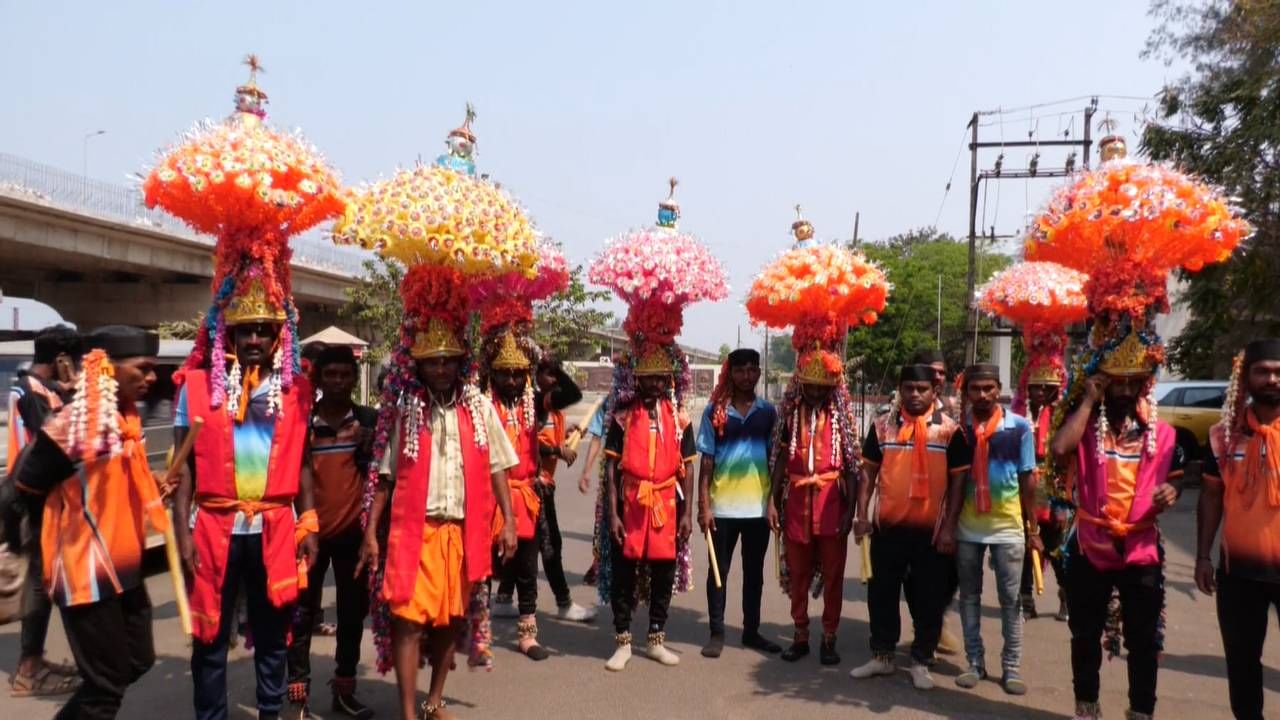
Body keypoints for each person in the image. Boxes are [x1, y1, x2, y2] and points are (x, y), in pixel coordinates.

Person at [357, 265, 519, 720]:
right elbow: (385, 476)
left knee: (450, 618)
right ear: (419, 363)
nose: (442, 368)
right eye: (434, 360)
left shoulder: (478, 406)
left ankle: (433, 700)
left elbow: (498, 468)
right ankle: (409, 712)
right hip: (416, 532)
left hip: (462, 532)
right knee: (408, 620)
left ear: (461, 360)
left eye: (449, 359)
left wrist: (507, 521)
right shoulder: (405, 409)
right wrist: (371, 532)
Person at [13, 326, 163, 719]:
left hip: (125, 566)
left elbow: (112, 478)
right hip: (87, 571)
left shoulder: (126, 416)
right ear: (109, 369)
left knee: (138, 661)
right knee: (105, 689)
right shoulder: (72, 426)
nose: (152, 378)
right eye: (143, 369)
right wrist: (45, 539)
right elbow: (21, 487)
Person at [1050, 336, 1182, 720]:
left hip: (1140, 549)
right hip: (1090, 546)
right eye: (1115, 381)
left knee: (1143, 641)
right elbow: (1059, 451)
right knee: (1085, 635)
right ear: (1101, 381)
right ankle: (1086, 709)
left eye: (1132, 381)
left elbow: (1180, 477)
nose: (1123, 390)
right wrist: (1089, 400)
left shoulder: (1164, 434)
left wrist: (1172, 490)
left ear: (1145, 382)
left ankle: (1141, 712)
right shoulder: (1088, 426)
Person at [851, 365, 970, 690]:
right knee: (881, 594)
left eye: (922, 389)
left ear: (934, 391)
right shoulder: (881, 427)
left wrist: (949, 527)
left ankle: (920, 659)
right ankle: (883, 656)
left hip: (931, 533)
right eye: (909, 388)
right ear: (900, 390)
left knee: (929, 597)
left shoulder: (949, 431)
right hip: (887, 529)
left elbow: (959, 482)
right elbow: (867, 475)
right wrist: (861, 515)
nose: (915, 395)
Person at [286, 345, 376, 719]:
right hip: (310, 538)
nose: (338, 381)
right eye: (330, 375)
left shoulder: (369, 424)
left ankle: (343, 689)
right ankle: (297, 697)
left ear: (355, 378)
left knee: (352, 616)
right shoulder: (302, 423)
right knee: (301, 616)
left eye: (344, 374)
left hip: (353, 539)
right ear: (319, 379)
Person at [1196, 339, 1280, 720]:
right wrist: (1202, 555)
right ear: (1245, 378)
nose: (1272, 378)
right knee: (1243, 664)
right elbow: (1211, 497)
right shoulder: (1222, 436)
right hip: (1238, 573)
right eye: (1262, 370)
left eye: (1278, 371)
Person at [943, 364, 1038, 695]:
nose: (982, 395)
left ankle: (1011, 667)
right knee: (969, 598)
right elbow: (951, 482)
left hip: (1009, 527)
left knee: (1011, 601)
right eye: (975, 389)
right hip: (968, 528)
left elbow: (1028, 479)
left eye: (988, 388)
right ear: (966, 392)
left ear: (999, 388)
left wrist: (1034, 528)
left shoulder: (1019, 428)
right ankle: (974, 662)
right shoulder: (958, 432)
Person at [602, 355, 697, 671]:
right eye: (648, 378)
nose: (654, 384)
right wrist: (612, 515)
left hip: (666, 505)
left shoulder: (680, 418)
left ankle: (656, 637)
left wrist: (686, 514)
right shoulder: (622, 417)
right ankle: (623, 641)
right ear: (637, 380)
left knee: (663, 573)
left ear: (669, 380)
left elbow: (689, 468)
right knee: (624, 573)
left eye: (660, 378)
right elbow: (611, 467)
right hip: (630, 505)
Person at [5, 324, 82, 698]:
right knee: (40, 583)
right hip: (33, 502)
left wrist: (62, 392)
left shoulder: (33, 388)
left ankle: (32, 661)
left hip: (34, 499)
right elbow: (53, 439)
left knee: (45, 581)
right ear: (62, 360)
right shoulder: (34, 393)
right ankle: (28, 671)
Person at [767, 352, 857, 666]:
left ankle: (829, 637)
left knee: (834, 575)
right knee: (798, 574)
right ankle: (800, 634)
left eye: (822, 387)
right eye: (811, 386)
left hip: (832, 504)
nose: (816, 393)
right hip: (795, 505)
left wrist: (851, 510)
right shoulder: (790, 415)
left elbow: (852, 466)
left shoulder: (841, 417)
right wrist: (772, 502)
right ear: (801, 385)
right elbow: (779, 461)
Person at [698, 349, 780, 658]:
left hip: (757, 509)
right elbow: (706, 461)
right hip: (722, 509)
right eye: (740, 370)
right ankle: (716, 632)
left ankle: (751, 631)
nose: (747, 375)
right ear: (730, 373)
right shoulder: (714, 412)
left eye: (752, 370)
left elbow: (775, 461)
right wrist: (703, 506)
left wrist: (774, 503)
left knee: (754, 574)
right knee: (718, 572)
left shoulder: (768, 413)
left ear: (759, 372)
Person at [482, 330, 555, 660]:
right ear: (493, 373)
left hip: (524, 495)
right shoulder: (481, 402)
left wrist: (534, 352)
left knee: (527, 567)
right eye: (504, 372)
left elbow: (567, 392)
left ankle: (527, 633)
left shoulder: (533, 401)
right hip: (489, 496)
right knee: (484, 569)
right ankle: (479, 634)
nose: (511, 379)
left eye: (517, 372)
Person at [509, 355, 594, 621]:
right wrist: (557, 449)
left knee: (527, 544)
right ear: (535, 375)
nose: (555, 380)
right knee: (549, 546)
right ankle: (563, 602)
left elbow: (567, 400)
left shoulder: (549, 406)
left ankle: (502, 598)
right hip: (535, 485)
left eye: (557, 374)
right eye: (549, 374)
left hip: (544, 484)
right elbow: (525, 443)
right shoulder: (534, 402)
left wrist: (566, 434)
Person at [1019, 371, 1071, 622]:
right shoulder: (1019, 416)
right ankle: (1025, 600)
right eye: (1034, 387)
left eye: (1045, 387)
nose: (1039, 392)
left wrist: (1061, 503)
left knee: (1056, 547)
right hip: (1023, 487)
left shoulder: (1062, 418)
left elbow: (1067, 462)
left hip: (1052, 489)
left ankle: (1066, 596)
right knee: (1025, 546)